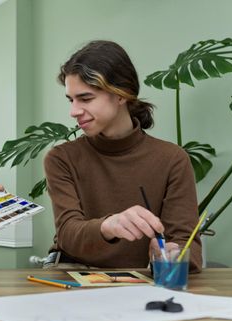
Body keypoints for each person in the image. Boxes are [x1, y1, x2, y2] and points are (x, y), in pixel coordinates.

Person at [43, 40, 202, 273]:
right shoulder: (61, 158)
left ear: (121, 95)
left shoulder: (172, 159)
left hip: (137, 279)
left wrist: (174, 253)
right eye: (71, 99)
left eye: (85, 99)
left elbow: (185, 241)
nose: (73, 111)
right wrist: (109, 226)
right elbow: (67, 232)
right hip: (70, 271)